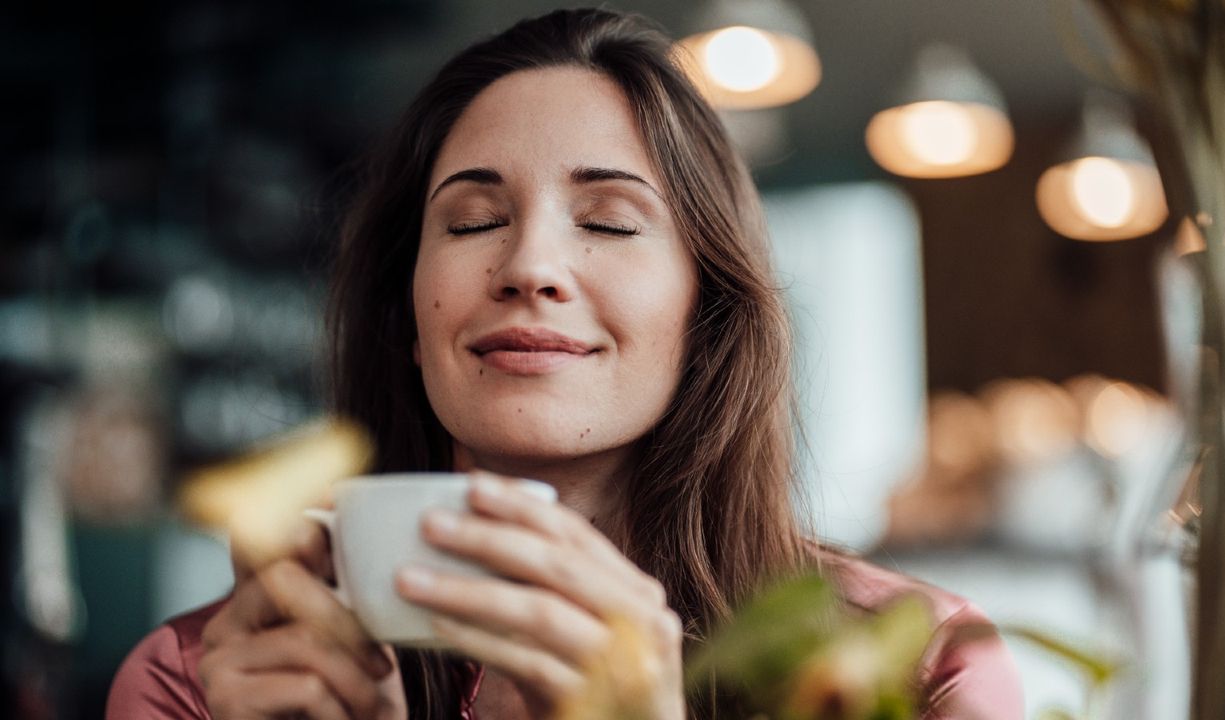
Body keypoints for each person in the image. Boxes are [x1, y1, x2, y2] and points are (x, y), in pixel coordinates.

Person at [107, 8, 1024, 720]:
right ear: (405, 314)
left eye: (610, 223)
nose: (531, 268)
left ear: (706, 314)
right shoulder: (200, 684)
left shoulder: (915, 663)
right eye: (472, 223)